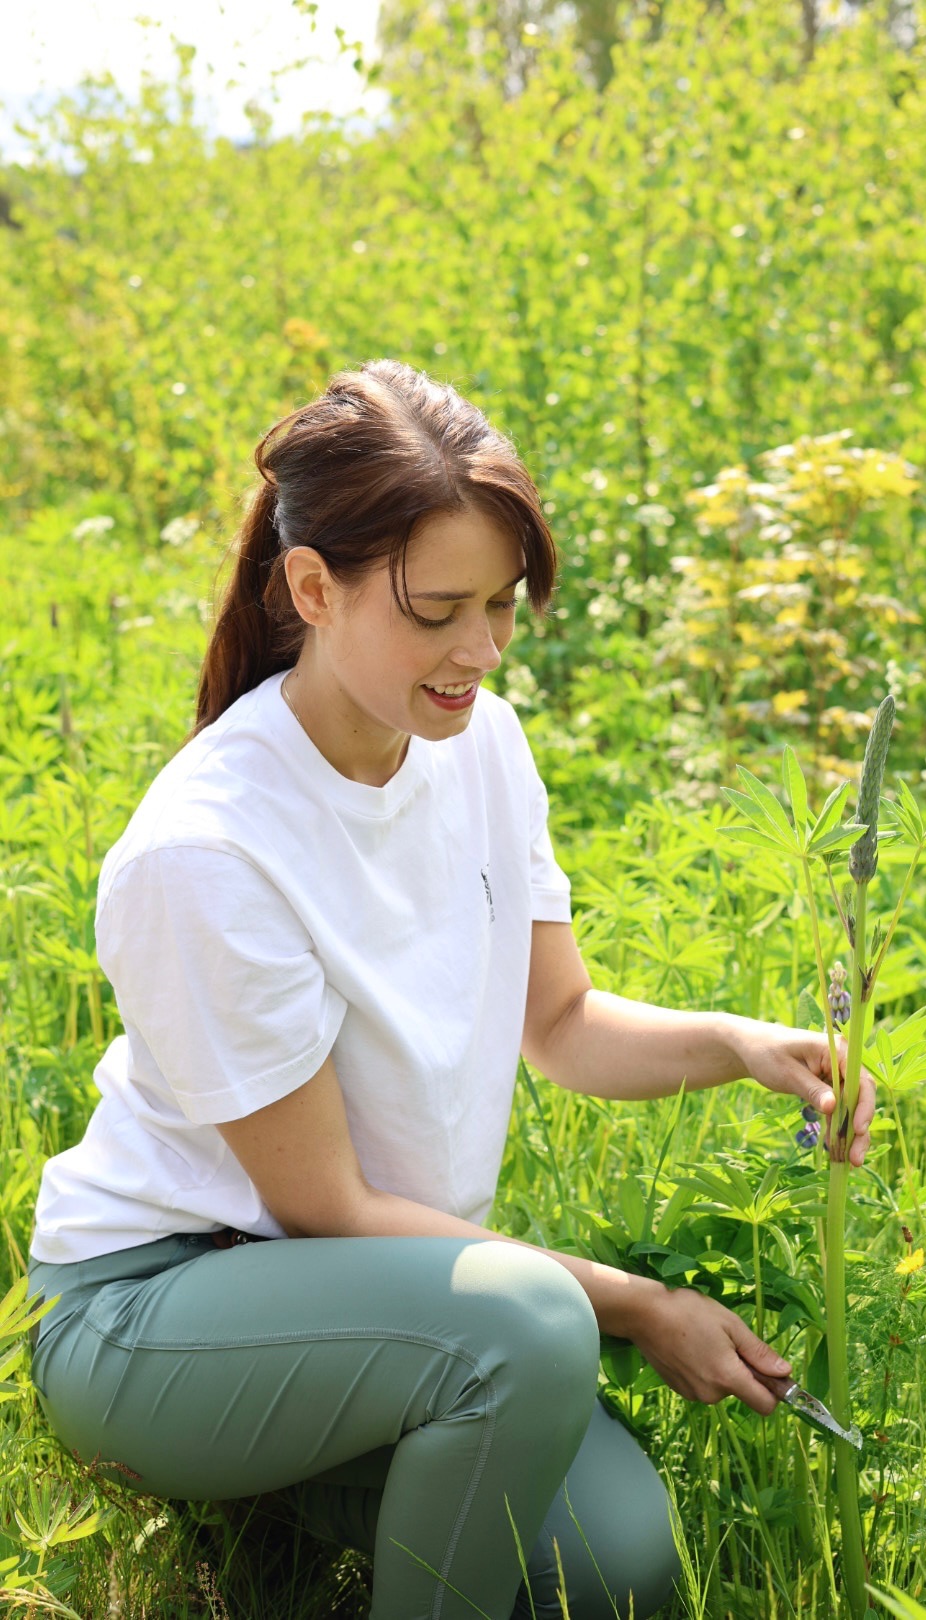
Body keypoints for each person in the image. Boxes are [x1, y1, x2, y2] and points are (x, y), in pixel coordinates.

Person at [27, 360, 875, 1620]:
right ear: (313, 589)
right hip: (156, 1316)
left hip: (378, 1316)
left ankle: (294, 1503)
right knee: (532, 1327)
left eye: (501, 606)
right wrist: (639, 1307)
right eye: (437, 611)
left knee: (617, 1573)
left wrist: (742, 1043)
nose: (478, 651)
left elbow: (561, 1023)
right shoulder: (208, 849)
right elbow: (326, 1208)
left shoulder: (480, 742)